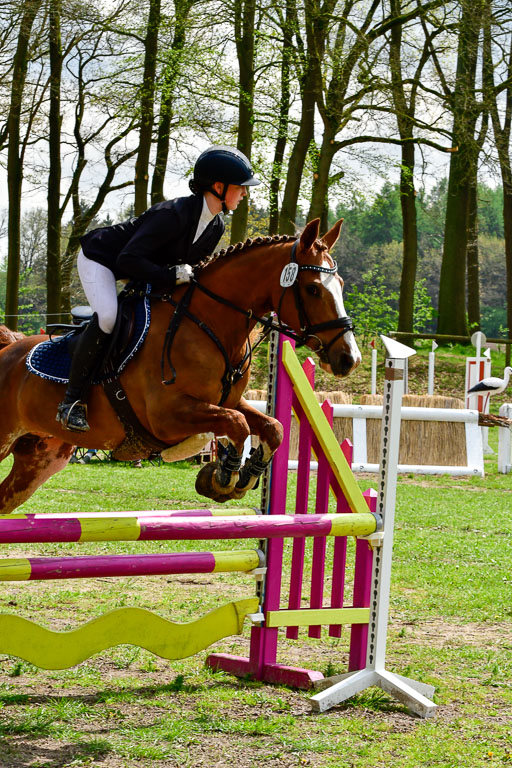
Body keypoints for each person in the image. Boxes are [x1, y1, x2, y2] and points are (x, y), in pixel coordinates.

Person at [56, 146, 260, 432]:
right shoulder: (172, 214)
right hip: (102, 259)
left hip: (139, 270)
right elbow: (128, 258)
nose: (245, 194)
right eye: (240, 188)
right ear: (218, 186)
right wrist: (169, 274)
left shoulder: (215, 226)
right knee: (108, 317)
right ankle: (71, 402)